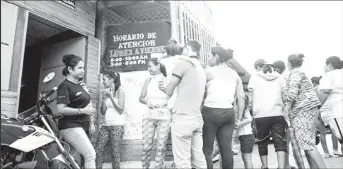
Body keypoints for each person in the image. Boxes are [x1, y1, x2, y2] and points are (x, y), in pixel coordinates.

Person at [158, 40, 207, 168]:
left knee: (182, 161)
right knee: (199, 159)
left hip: (182, 117)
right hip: (197, 117)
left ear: (187, 48)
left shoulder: (182, 64)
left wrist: (163, 88)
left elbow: (169, 90)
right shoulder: (201, 67)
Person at [202, 46, 245, 169]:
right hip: (228, 112)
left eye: (210, 55)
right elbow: (241, 97)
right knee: (226, 149)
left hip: (211, 111)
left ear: (216, 56)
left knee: (207, 150)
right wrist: (239, 118)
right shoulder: (234, 74)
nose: (209, 58)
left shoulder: (209, 71)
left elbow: (199, 91)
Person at [284, 53, 327, 169]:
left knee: (307, 144)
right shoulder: (301, 73)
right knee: (307, 142)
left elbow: (292, 92)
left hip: (303, 110)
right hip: (308, 109)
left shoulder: (295, 73)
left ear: (289, 63)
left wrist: (286, 109)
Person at [56, 54, 96, 169]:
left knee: (66, 158)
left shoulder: (79, 85)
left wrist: (85, 92)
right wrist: (82, 110)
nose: (83, 71)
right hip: (70, 126)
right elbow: (61, 109)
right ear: (69, 69)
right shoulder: (64, 86)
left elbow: (87, 103)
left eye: (83, 68)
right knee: (90, 154)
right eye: (80, 68)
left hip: (81, 125)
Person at [248, 60, 288, 169]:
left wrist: (251, 109)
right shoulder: (279, 77)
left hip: (260, 114)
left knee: (262, 141)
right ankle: (281, 166)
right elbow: (285, 95)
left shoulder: (254, 77)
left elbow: (250, 96)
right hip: (277, 113)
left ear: (260, 68)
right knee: (280, 141)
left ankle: (264, 166)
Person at [139, 58, 171, 169]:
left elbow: (172, 98)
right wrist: (148, 102)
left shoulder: (168, 80)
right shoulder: (148, 80)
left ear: (158, 66)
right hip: (149, 117)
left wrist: (163, 101)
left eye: (150, 66)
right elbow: (141, 98)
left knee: (161, 147)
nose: (148, 69)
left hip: (164, 117)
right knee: (146, 147)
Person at [95, 71, 125, 169]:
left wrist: (111, 96)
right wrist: (103, 99)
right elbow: (103, 112)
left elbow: (120, 110)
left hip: (117, 125)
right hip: (106, 125)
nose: (102, 82)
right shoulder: (105, 91)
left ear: (111, 80)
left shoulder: (120, 91)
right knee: (98, 149)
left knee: (115, 152)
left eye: (104, 79)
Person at [318, 56, 343, 156]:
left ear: (329, 65)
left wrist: (317, 108)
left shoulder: (329, 75)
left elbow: (325, 91)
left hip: (337, 111)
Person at [311, 76, 339, 158]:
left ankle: (326, 153)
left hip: (318, 112)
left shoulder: (313, 90)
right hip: (329, 111)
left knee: (322, 133)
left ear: (314, 83)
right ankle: (335, 149)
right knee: (334, 131)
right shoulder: (326, 88)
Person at [235, 95, 255, 169]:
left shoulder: (245, 110)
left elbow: (249, 119)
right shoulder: (240, 111)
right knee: (244, 158)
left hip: (247, 136)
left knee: (247, 159)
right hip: (244, 137)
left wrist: (240, 123)